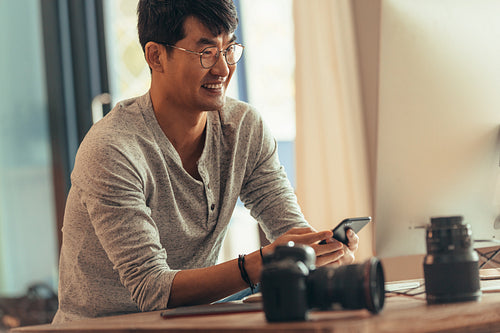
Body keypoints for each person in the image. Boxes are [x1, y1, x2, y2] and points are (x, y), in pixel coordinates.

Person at [52, 0, 359, 323]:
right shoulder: (112, 149)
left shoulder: (243, 128)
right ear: (156, 56)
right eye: (206, 52)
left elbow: (289, 229)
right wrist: (262, 262)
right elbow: (152, 289)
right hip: (104, 328)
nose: (223, 69)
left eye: (229, 49)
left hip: (191, 320)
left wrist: (321, 250)